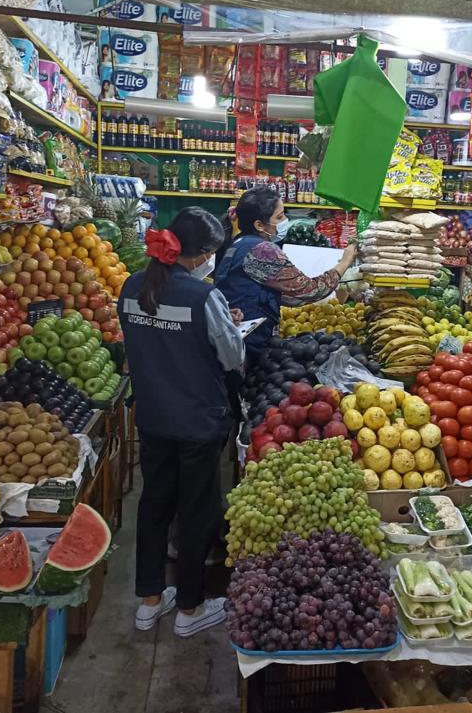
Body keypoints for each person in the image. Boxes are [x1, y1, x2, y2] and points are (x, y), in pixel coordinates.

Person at [118, 207, 244, 637]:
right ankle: (190, 608)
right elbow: (232, 357)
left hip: (152, 416)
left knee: (154, 504)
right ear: (201, 253)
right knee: (196, 510)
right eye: (212, 252)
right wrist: (229, 328)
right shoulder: (205, 296)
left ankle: (149, 602)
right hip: (198, 421)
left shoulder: (131, 287)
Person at [214, 186, 357, 355]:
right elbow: (310, 290)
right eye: (279, 217)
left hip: (232, 335)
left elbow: (271, 291)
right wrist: (345, 262)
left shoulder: (239, 242)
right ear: (259, 225)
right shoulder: (262, 250)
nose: (285, 221)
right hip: (247, 341)